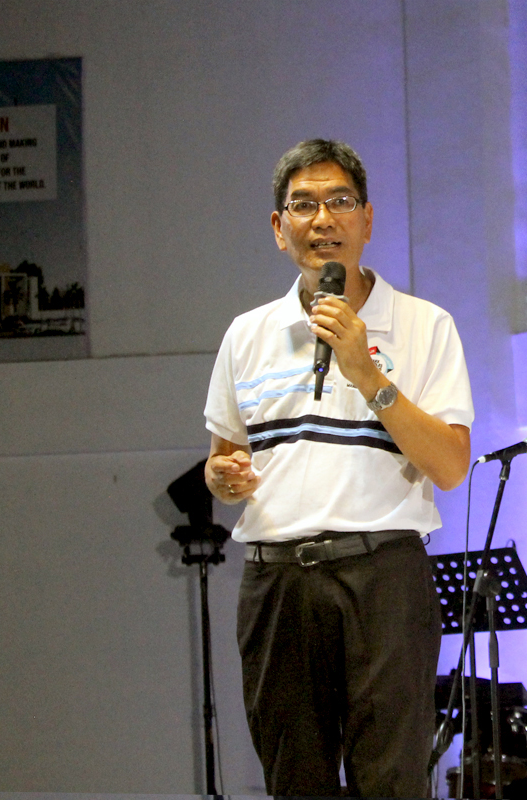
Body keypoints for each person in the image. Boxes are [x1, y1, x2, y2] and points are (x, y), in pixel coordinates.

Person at [203, 139, 473, 797]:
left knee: (390, 781)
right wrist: (223, 478)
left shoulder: (423, 325)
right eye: (303, 205)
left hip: (382, 579)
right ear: (278, 228)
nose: (322, 219)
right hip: (277, 586)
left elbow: (450, 465)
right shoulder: (247, 334)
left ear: (367, 220)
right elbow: (221, 460)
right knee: (295, 782)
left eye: (339, 202)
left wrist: (366, 371)